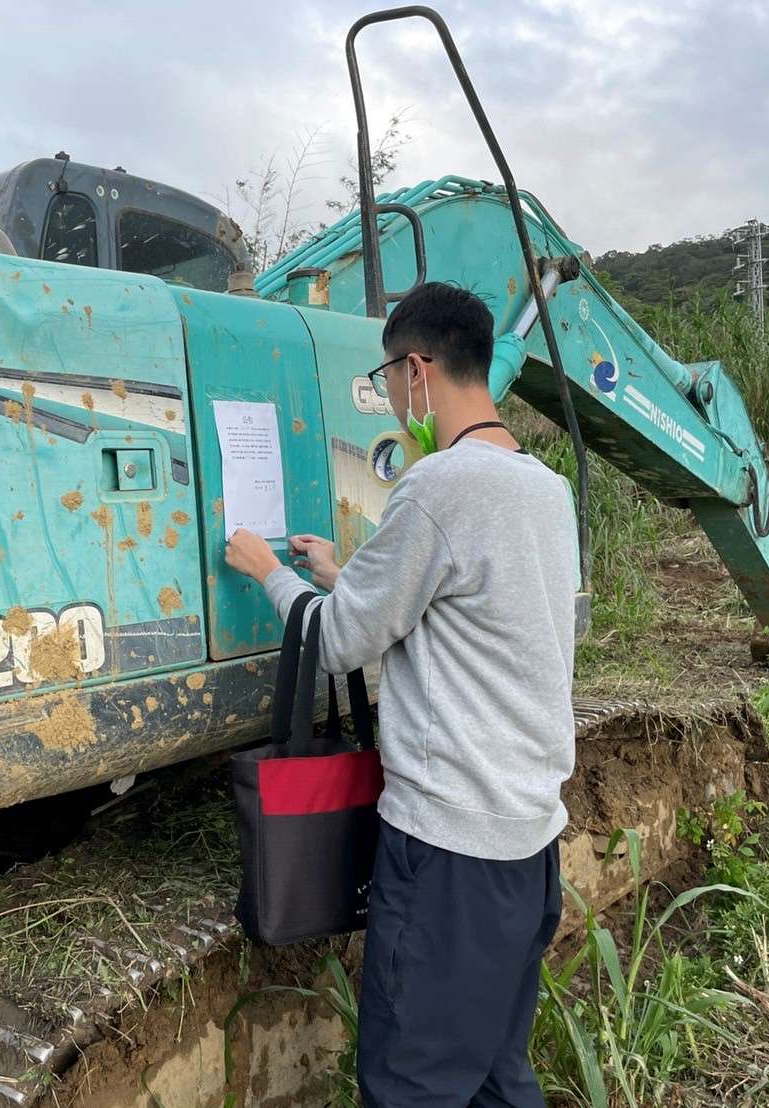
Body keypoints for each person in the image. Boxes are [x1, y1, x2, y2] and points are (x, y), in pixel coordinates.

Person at [224, 281, 577, 1107]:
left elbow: (339, 639)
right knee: (494, 1074)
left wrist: (269, 573)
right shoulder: (544, 490)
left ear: (418, 369)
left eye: (387, 375)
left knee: (409, 1085)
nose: (388, 394)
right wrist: (345, 577)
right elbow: (469, 616)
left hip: (450, 852)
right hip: (527, 845)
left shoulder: (438, 485)